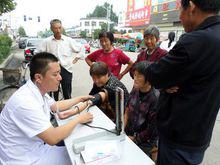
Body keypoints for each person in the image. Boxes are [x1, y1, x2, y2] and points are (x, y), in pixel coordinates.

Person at [145, 0, 220, 164]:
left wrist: (163, 78)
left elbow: (156, 75)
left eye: (180, 10)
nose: (180, 16)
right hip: (200, 133)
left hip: (178, 137)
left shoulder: (194, 41)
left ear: (191, 7)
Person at [0, 52, 93, 164]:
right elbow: (52, 138)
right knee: (81, 157)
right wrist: (79, 119)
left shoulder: (37, 90)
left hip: (35, 149)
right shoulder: (25, 102)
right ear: (38, 77)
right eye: (55, 74)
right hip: (25, 160)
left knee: (79, 148)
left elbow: (55, 106)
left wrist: (80, 98)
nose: (60, 78)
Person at [40, 19, 84, 100]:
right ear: (51, 29)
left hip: (66, 69)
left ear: (62, 27)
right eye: (55, 28)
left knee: (67, 92)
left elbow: (81, 48)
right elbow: (39, 53)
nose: (58, 30)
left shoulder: (68, 40)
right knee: (53, 92)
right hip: (52, 70)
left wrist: (77, 57)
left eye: (60, 28)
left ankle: (68, 108)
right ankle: (54, 108)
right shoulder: (46, 42)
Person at [124, 61, 158, 161]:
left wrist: (134, 139)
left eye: (139, 76)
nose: (135, 78)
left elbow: (152, 129)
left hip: (145, 140)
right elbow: (127, 109)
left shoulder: (155, 99)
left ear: (149, 80)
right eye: (135, 75)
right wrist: (122, 127)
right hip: (130, 132)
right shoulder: (135, 89)